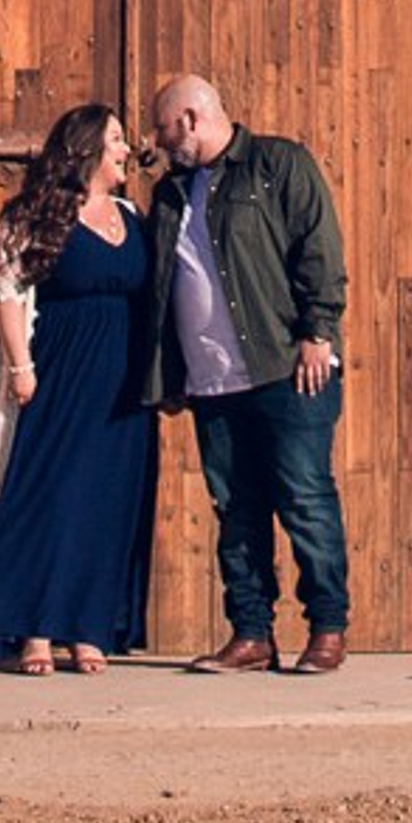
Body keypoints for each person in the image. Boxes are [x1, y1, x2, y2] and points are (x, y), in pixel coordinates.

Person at [145, 71, 351, 673]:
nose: (156, 141)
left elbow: (319, 248)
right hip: (214, 383)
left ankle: (328, 629)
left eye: (162, 127)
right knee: (235, 511)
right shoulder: (170, 195)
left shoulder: (277, 164)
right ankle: (252, 634)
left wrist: (318, 331)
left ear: (190, 119)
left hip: (287, 369)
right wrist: (168, 371)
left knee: (304, 498)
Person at [0, 103, 158, 674]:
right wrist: (21, 366)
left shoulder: (131, 215)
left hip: (123, 379)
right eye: (116, 139)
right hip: (62, 371)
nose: (126, 149)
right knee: (49, 493)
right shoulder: (37, 216)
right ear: (88, 149)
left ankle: (88, 627)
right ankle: (34, 627)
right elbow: (5, 289)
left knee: (106, 500)